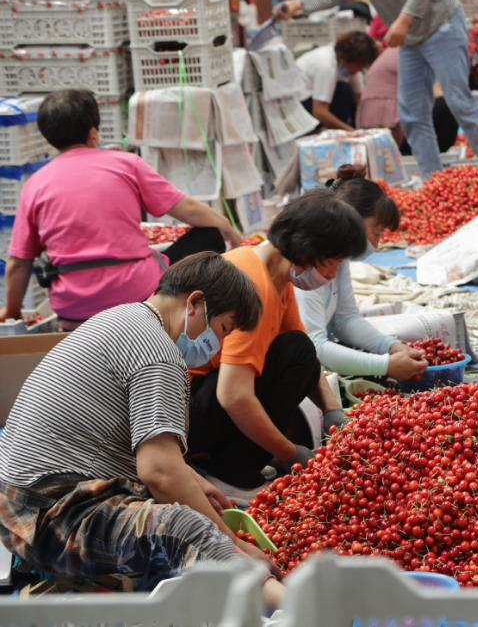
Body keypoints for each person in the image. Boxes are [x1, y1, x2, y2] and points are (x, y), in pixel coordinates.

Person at [0, 253, 285, 606]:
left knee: (193, 501)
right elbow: (159, 472)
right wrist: (233, 543)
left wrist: (195, 484)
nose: (220, 345)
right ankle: (292, 605)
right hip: (49, 514)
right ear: (195, 303)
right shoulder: (158, 353)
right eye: (223, 329)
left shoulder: (124, 318)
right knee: (183, 527)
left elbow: (157, 459)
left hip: (20, 497)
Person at [0, 89, 242, 331]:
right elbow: (187, 209)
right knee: (210, 234)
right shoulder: (125, 164)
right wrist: (227, 227)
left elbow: (19, 262)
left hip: (73, 309)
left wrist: (12, 311)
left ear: (47, 137)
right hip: (137, 296)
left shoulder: (34, 185)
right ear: (93, 133)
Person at [187, 189, 368, 504]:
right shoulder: (253, 287)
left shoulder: (274, 277)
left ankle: (229, 460)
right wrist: (288, 452)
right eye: (331, 262)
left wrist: (332, 410)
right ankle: (231, 475)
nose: (332, 274)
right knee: (295, 351)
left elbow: (306, 359)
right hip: (182, 414)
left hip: (200, 404)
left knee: (300, 350)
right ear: (302, 248)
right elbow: (233, 395)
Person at [277, 0, 478, 178]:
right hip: (411, 38)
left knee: (459, 102)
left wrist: (403, 21)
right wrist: (297, 4)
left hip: (440, 23)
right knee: (412, 115)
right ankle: (434, 181)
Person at [296, 165, 428, 381]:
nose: (376, 244)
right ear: (352, 221)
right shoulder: (307, 265)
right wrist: (385, 364)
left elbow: (345, 318)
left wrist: (390, 346)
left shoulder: (337, 255)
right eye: (377, 233)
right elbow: (314, 345)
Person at [356, 46, 459, 155]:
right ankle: (436, 160)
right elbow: (436, 92)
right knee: (449, 105)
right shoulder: (411, 53)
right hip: (389, 123)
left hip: (374, 121)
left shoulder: (398, 52)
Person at [298, 31, 382, 132]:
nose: (360, 70)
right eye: (359, 66)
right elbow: (319, 111)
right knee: (345, 91)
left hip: (317, 102)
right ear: (346, 60)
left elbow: (359, 100)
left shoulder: (349, 66)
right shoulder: (326, 65)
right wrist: (351, 132)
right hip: (301, 104)